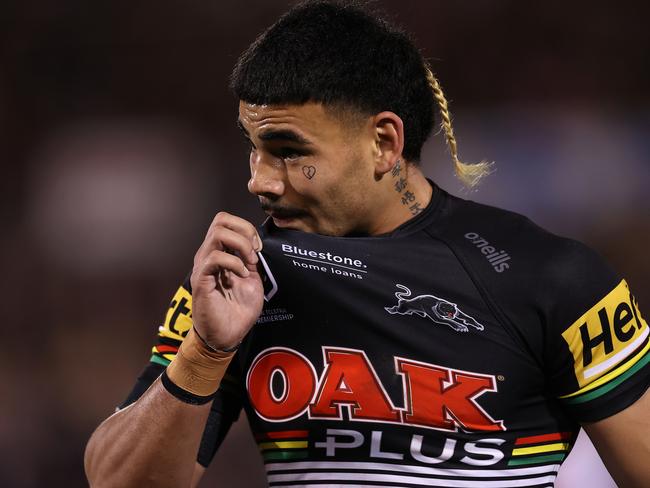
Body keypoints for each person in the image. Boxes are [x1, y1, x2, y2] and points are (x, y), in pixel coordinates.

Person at [84, 1, 649, 487]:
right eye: (253, 147)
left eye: (287, 150)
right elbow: (115, 479)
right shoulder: (242, 278)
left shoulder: (549, 277)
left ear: (383, 142)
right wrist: (204, 351)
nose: (259, 179)